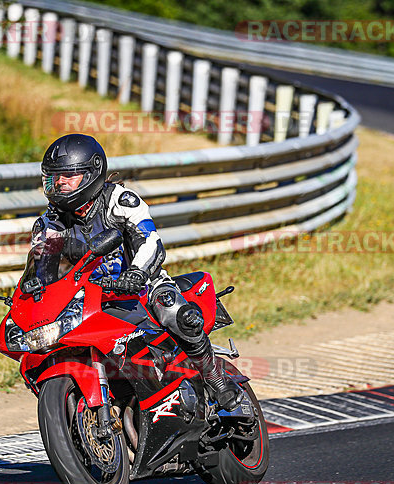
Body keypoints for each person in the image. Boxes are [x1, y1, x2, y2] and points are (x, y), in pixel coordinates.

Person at [31, 133, 241, 411]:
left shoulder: (119, 200)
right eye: (54, 177)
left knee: (175, 311)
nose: (59, 183)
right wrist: (34, 289)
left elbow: (150, 242)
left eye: (69, 176)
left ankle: (216, 378)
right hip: (89, 299)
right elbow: (41, 268)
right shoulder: (50, 221)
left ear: (92, 173)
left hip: (143, 286)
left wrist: (136, 275)